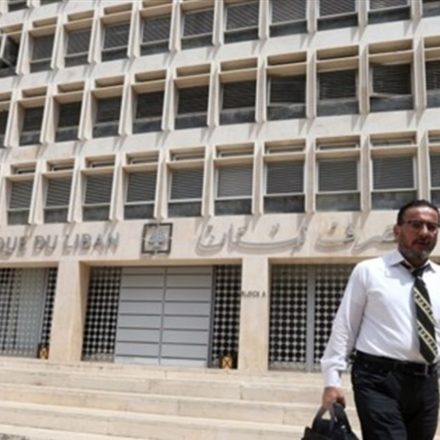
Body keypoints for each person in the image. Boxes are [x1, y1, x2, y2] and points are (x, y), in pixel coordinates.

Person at [321, 199, 440, 440]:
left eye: (432, 226)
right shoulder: (369, 271)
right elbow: (345, 326)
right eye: (416, 224)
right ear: (397, 230)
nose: (425, 232)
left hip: (426, 384)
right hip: (378, 380)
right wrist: (332, 380)